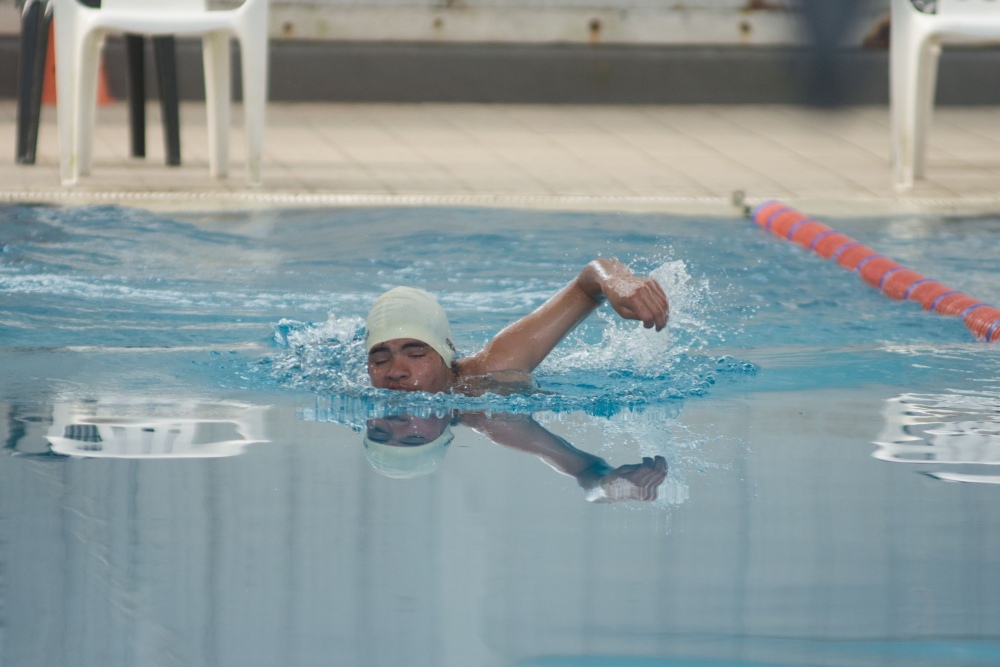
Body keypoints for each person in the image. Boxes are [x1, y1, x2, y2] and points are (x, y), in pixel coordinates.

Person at [365, 258, 669, 395]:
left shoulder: (493, 369)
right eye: (379, 358)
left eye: (415, 353)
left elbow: (588, 281)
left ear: (447, 353)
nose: (395, 371)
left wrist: (616, 281)